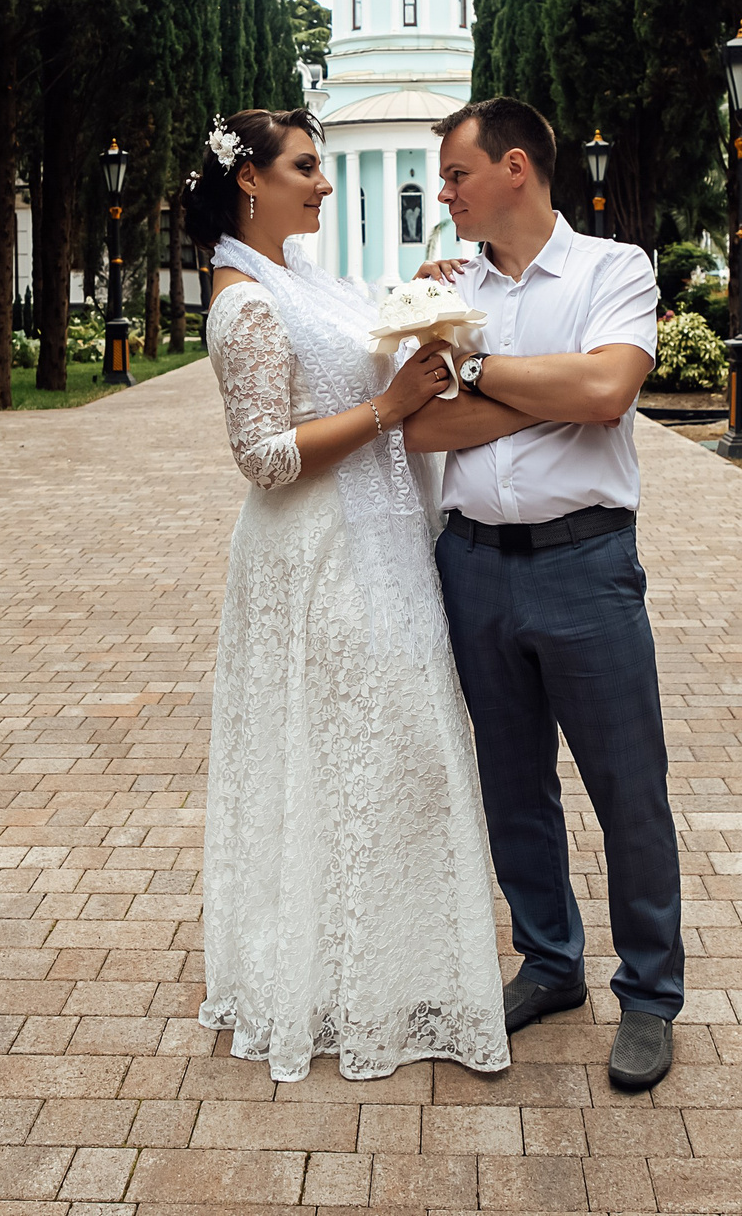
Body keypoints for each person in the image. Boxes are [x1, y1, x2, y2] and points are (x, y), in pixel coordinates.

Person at [188, 106, 511, 1083]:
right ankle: (328, 984)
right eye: (305, 168)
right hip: (318, 557)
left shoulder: (300, 275)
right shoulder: (243, 300)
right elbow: (265, 457)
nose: (323, 184)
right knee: (363, 750)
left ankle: (390, 966)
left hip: (384, 544)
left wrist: (413, 301)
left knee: (396, 753)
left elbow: (347, 340)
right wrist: (387, 409)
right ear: (251, 179)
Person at [401, 96, 682, 1092]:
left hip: (585, 562)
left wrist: (479, 373)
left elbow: (607, 394)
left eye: (458, 175)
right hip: (471, 561)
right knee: (512, 787)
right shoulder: (439, 292)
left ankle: (648, 995)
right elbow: (420, 431)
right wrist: (543, 396)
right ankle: (550, 963)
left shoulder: (614, 270)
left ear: (515, 168)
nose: (443, 193)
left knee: (627, 792)